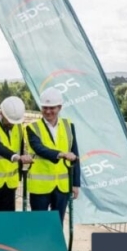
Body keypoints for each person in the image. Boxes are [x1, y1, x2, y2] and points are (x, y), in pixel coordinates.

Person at [26, 87, 81, 223]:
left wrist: (75, 184)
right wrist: (61, 154)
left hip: (62, 187)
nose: (48, 111)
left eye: (52, 108)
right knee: (39, 224)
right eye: (45, 108)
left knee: (57, 223)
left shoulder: (69, 126)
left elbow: (75, 155)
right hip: (40, 187)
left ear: (59, 107)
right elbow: (39, 149)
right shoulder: (32, 128)